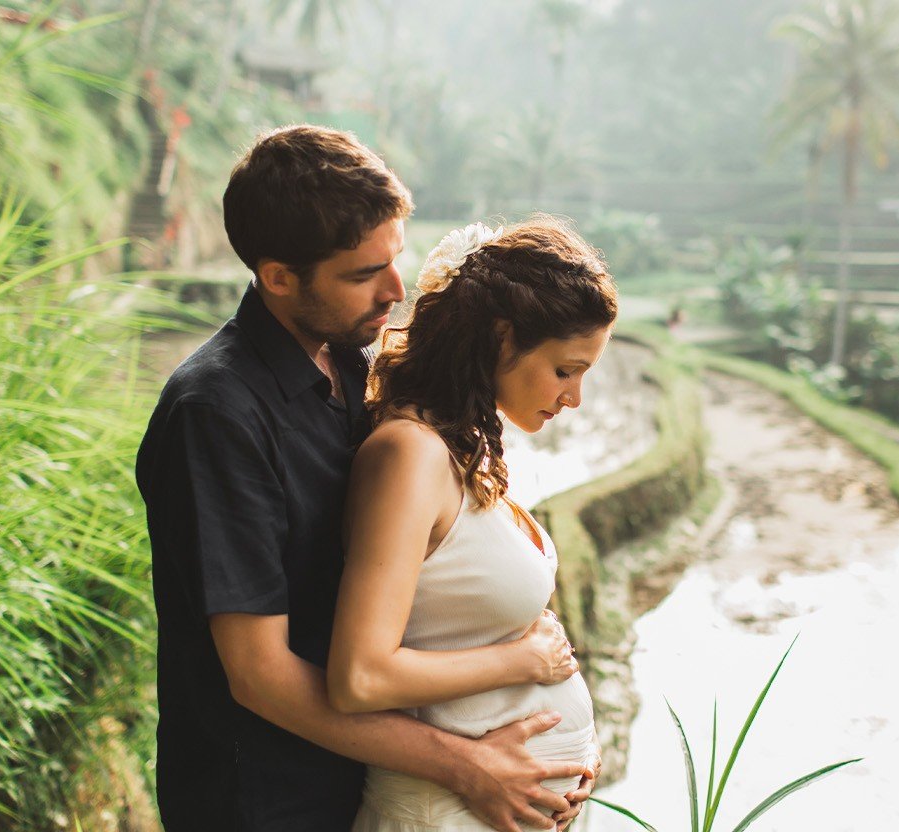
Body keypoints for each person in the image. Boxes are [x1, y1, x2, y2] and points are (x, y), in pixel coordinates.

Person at [136, 125, 591, 832]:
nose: (394, 291)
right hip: (267, 801)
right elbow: (260, 676)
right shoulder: (217, 413)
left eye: (394, 259)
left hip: (366, 776)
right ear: (278, 276)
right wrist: (467, 764)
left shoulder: (349, 362)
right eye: (360, 274)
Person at [324, 217, 616, 832]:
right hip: (441, 812)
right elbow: (359, 676)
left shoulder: (460, 450)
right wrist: (524, 662)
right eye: (566, 369)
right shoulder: (410, 455)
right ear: (502, 340)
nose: (575, 398)